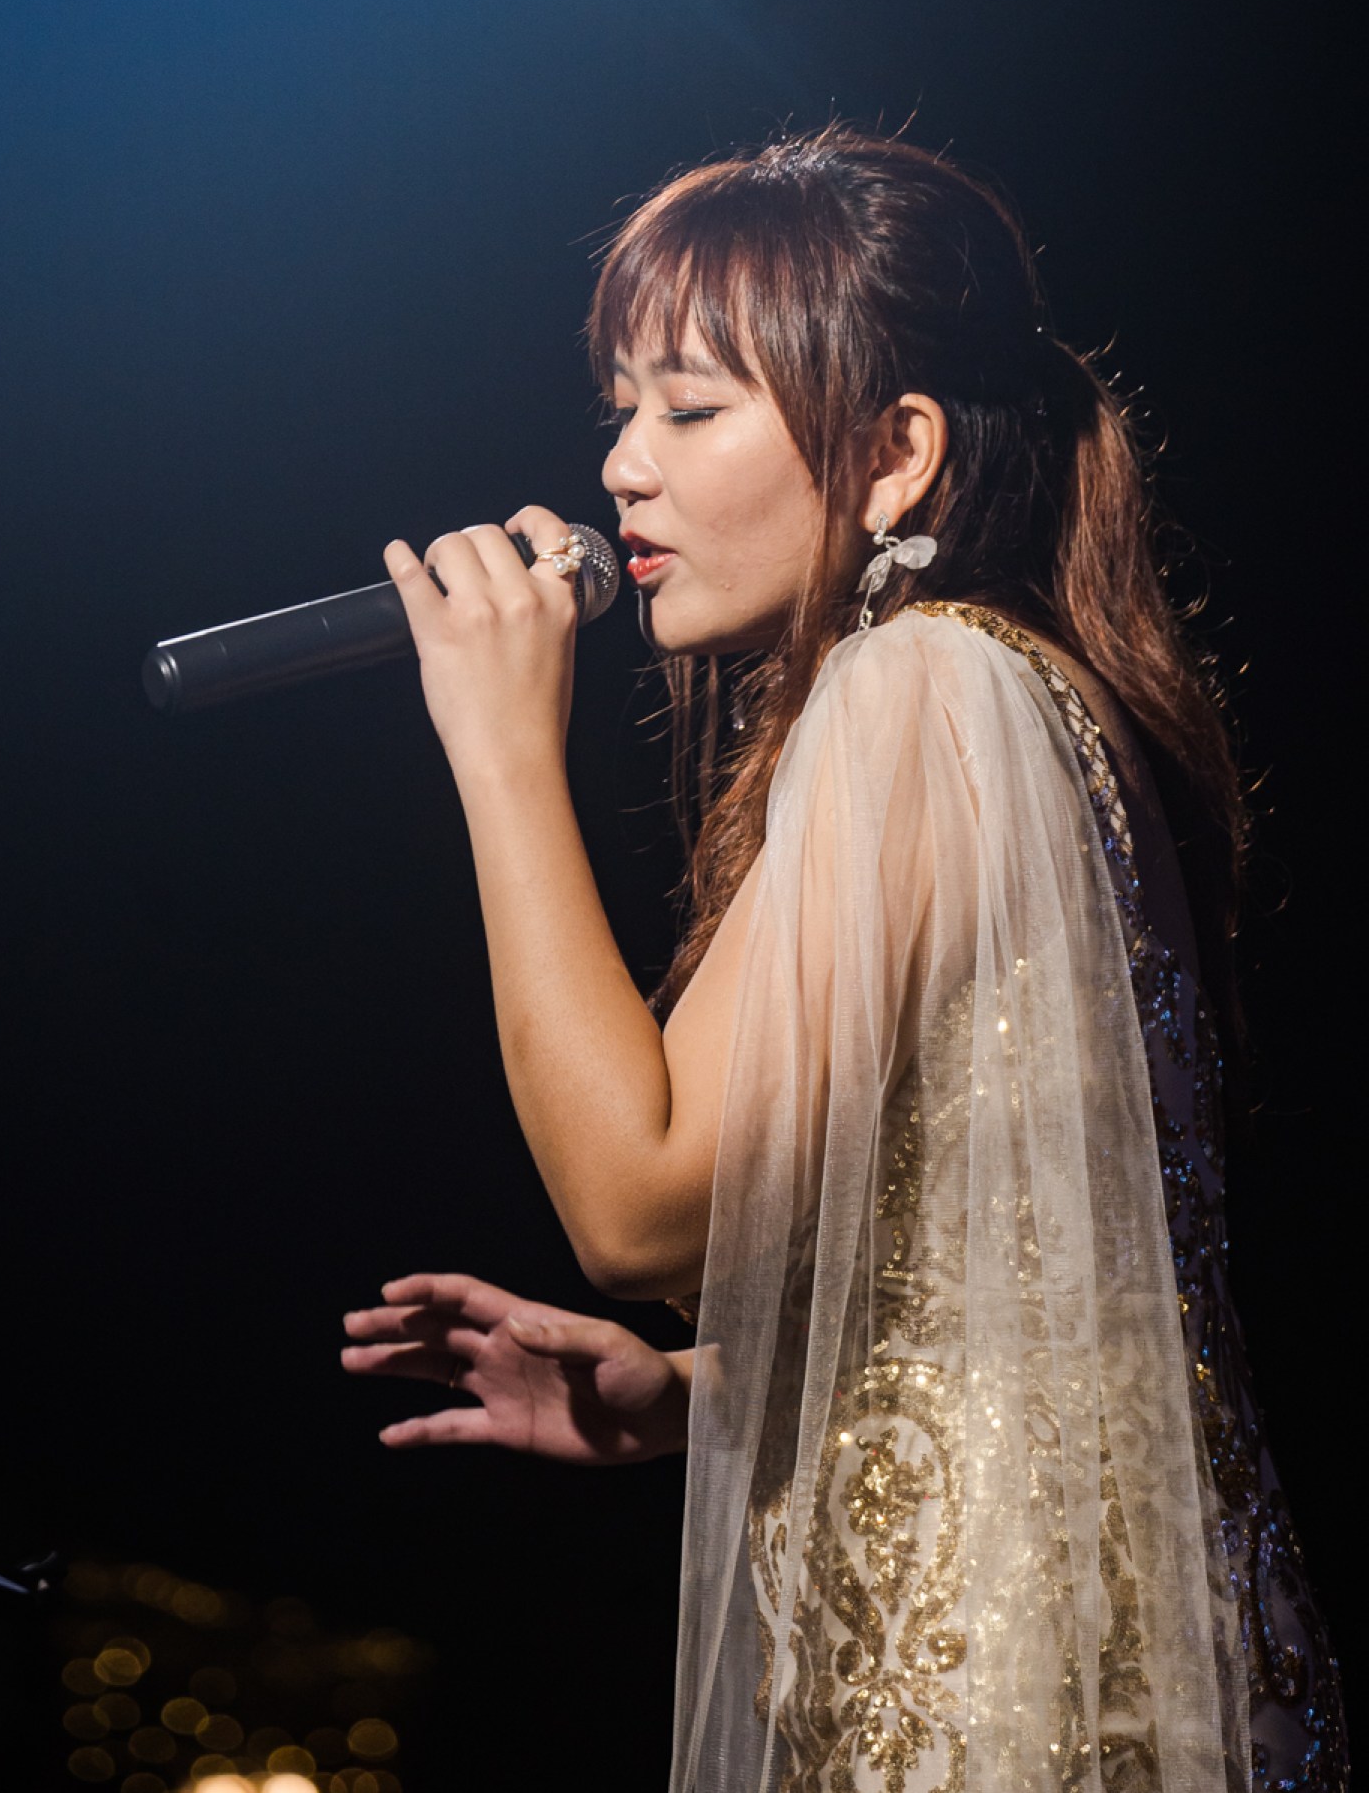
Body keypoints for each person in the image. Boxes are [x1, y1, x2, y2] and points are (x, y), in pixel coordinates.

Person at [340, 129, 1342, 1793]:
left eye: (689, 409)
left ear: (894, 456)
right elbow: (1034, 1282)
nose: (622, 470)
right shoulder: (1028, 693)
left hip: (998, 1712)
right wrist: (695, 1390)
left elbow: (636, 1203)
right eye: (621, 410)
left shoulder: (922, 687)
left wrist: (502, 752)